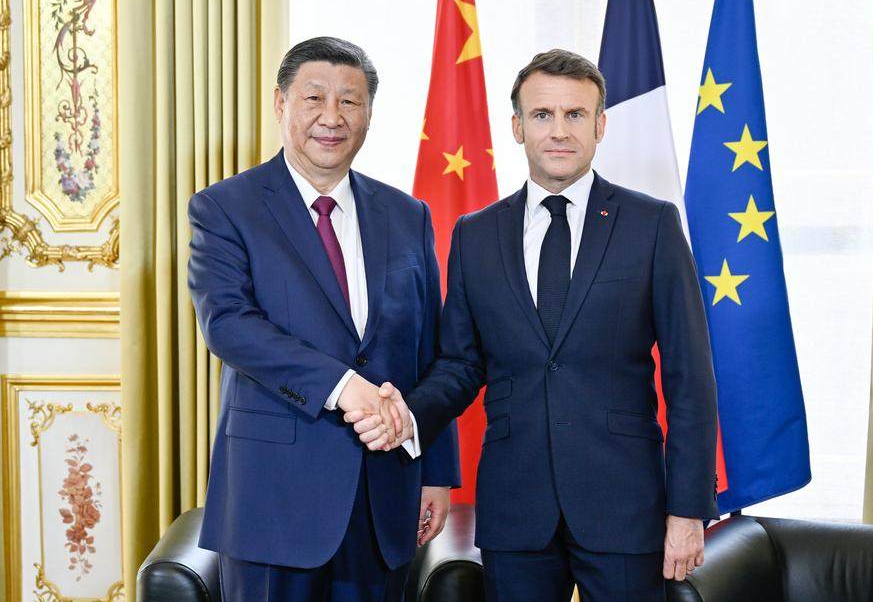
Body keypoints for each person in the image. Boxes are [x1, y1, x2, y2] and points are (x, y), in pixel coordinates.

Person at [348, 49, 719, 601]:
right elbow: (460, 364)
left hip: (623, 506)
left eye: (575, 115)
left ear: (601, 125)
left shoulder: (652, 225)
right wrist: (406, 413)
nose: (559, 131)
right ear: (518, 127)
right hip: (516, 509)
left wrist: (687, 510)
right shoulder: (476, 235)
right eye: (543, 115)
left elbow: (691, 379)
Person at [188, 36, 459, 601]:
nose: (331, 118)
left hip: (385, 492)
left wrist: (434, 469)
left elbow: (430, 350)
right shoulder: (225, 207)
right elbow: (229, 324)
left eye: (350, 102)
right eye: (314, 98)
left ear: (369, 115)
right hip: (273, 500)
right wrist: (344, 388)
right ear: (281, 104)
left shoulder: (407, 215)